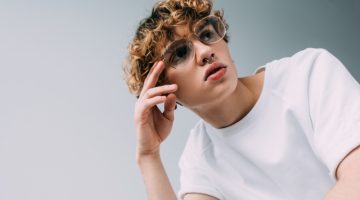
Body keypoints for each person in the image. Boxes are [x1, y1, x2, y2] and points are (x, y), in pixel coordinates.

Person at [123, 0, 360, 199]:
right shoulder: (200, 156)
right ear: (162, 89)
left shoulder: (309, 75)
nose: (206, 52)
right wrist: (149, 157)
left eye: (207, 34)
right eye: (181, 53)